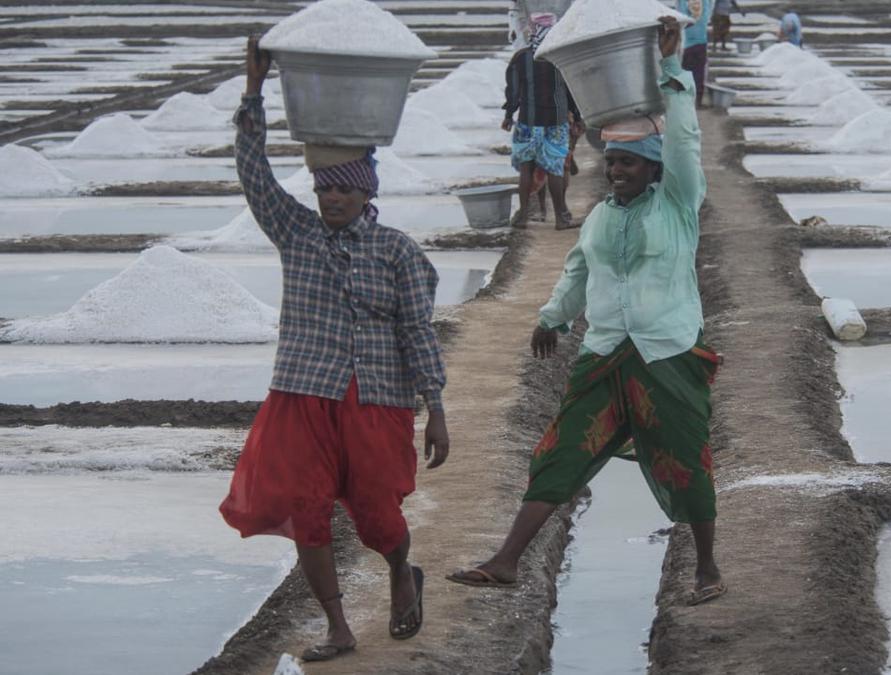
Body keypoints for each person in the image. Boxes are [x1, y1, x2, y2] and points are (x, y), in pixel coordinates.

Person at [448, 17, 726, 607]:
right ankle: (506, 561)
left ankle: (705, 567)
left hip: (666, 355)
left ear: (653, 168)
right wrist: (552, 317)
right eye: (612, 163)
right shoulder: (601, 216)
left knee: (686, 460)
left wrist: (672, 71)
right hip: (602, 355)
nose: (616, 171)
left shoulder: (677, 204)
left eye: (628, 164)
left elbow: (685, 143)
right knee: (561, 450)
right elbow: (578, 269)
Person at [218, 36, 450, 663]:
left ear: (367, 192)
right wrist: (253, 90)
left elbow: (416, 331)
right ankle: (338, 627)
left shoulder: (399, 252)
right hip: (304, 393)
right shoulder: (296, 232)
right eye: (324, 190)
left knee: (377, 511)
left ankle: (402, 567)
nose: (332, 200)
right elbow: (253, 174)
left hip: (376, 398)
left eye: (344, 191)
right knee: (305, 507)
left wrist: (437, 407)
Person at [503, 13, 583, 230]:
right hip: (555, 121)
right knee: (555, 169)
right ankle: (561, 217)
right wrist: (577, 116)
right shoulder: (560, 57)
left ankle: (522, 218)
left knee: (527, 169)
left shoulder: (521, 58)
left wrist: (509, 115)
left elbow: (513, 91)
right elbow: (571, 90)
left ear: (533, 30)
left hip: (528, 122)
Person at [677, 0, 713, 106]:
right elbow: (708, 4)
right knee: (700, 73)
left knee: (687, 73)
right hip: (702, 45)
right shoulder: (704, 11)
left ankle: (686, 99)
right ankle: (698, 101)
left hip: (689, 47)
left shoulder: (686, 12)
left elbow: (680, 7)